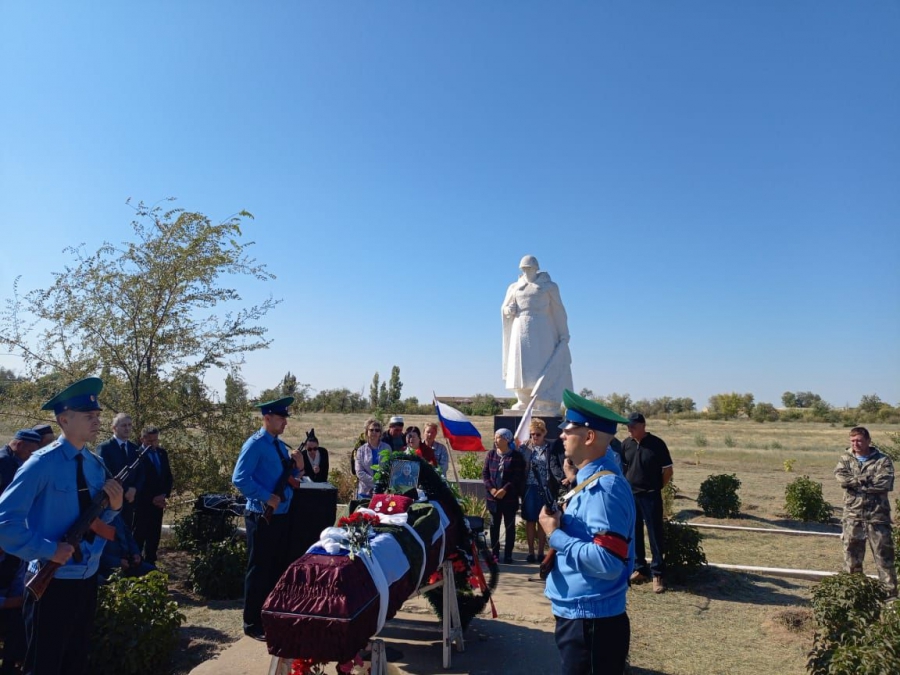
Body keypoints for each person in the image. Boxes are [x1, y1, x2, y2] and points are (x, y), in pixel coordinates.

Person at [0, 377, 124, 675]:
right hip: (51, 583)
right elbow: (5, 524)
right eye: (88, 417)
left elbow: (96, 519)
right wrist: (48, 550)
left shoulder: (95, 463)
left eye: (97, 416)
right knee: (44, 666)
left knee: (75, 662)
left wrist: (115, 507)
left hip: (86, 578)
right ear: (64, 419)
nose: (96, 422)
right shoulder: (41, 464)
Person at [539, 389, 636, 675]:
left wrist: (555, 534)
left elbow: (607, 561)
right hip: (584, 618)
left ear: (589, 436)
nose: (562, 436)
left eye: (569, 430)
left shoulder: (604, 490)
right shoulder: (590, 482)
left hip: (592, 624)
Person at [232, 397, 304, 641]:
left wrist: (298, 466)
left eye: (285, 417)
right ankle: (252, 622)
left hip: (282, 515)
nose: (285, 422)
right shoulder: (255, 444)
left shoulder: (278, 444)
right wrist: (266, 497)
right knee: (259, 568)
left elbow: (285, 477)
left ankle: (270, 615)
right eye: (281, 417)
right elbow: (239, 479)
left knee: (275, 567)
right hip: (262, 515)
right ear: (267, 418)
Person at [501, 255, 573, 414]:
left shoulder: (549, 287)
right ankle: (523, 399)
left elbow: (558, 310)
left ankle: (543, 400)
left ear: (536, 268)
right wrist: (508, 311)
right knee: (520, 365)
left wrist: (563, 332)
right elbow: (504, 307)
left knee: (541, 363)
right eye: (524, 269)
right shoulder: (514, 287)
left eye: (529, 268)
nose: (526, 271)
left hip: (542, 327)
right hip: (520, 326)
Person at [835, 426, 896, 597]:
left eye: (860, 440)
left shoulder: (883, 460)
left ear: (869, 441)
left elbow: (884, 482)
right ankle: (855, 595)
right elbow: (841, 477)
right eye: (853, 441)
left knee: (884, 558)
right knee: (852, 559)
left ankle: (890, 598)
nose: (856, 444)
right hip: (852, 516)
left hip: (877, 516)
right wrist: (865, 480)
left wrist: (855, 483)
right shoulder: (846, 458)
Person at [621, 412, 673, 594]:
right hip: (631, 496)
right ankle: (640, 568)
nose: (629, 430)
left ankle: (657, 573)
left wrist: (657, 487)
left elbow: (667, 471)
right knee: (634, 533)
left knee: (654, 533)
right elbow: (623, 469)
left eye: (633, 427)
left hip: (650, 495)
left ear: (643, 426)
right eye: (628, 426)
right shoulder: (626, 445)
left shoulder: (657, 444)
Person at [483, 428, 526, 564]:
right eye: (495, 437)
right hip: (493, 498)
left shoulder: (516, 456)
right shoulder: (491, 455)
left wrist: (504, 489)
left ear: (507, 440)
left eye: (499, 438)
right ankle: (494, 554)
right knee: (494, 526)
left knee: (509, 526)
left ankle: (508, 554)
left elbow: (517, 476)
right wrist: (492, 489)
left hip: (509, 498)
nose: (496, 440)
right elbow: (485, 474)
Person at [132, 426, 173, 565]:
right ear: (142, 439)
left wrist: (163, 495)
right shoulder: (136, 455)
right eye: (149, 441)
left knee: (154, 536)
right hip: (142, 505)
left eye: (155, 440)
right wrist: (151, 498)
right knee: (139, 535)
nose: (153, 444)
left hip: (158, 504)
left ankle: (151, 564)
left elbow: (167, 477)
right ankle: (136, 565)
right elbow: (137, 481)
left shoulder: (162, 453)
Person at [96, 413, 143, 530]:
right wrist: (125, 490)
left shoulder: (135, 448)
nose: (127, 428)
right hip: (111, 501)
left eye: (129, 425)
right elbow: (105, 473)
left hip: (130, 501)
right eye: (123, 425)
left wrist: (134, 489)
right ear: (114, 428)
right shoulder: (105, 448)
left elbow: (141, 473)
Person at [521, 419, 552, 564]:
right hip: (529, 486)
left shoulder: (549, 447)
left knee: (542, 519)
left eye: (538, 434)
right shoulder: (525, 447)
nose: (535, 437)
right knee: (530, 519)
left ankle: (541, 552)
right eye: (532, 434)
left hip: (545, 487)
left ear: (544, 433)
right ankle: (530, 552)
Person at [98, 513, 156, 583]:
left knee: (155, 574)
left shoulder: (116, 515)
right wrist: (118, 563)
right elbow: (95, 556)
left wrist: (135, 553)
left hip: (128, 563)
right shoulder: (96, 518)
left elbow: (128, 536)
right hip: (107, 569)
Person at [0, 548, 26, 675]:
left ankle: (9, 666)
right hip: (6, 604)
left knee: (20, 617)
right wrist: (7, 602)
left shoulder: (15, 558)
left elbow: (18, 590)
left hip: (6, 611)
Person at [355, 419, 391, 500]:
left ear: (380, 433)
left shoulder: (387, 448)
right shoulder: (361, 450)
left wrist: (381, 485)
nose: (374, 432)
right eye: (371, 430)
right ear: (367, 432)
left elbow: (391, 468)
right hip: (365, 492)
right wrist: (375, 483)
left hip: (383, 492)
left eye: (377, 430)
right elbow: (359, 472)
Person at [0, 429, 42, 494]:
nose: (31, 456)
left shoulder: (16, 460)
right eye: (30, 451)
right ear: (19, 445)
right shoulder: (2, 461)